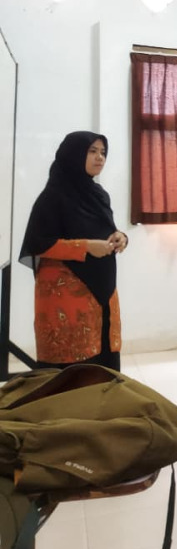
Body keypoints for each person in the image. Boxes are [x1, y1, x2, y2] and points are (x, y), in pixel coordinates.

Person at [19, 131, 128, 371]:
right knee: (71, 369)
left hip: (103, 290)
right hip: (67, 294)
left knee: (103, 364)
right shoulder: (52, 197)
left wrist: (121, 236)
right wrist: (86, 247)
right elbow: (38, 243)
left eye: (103, 152)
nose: (100, 157)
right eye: (92, 151)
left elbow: (103, 228)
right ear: (73, 155)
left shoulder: (99, 195)